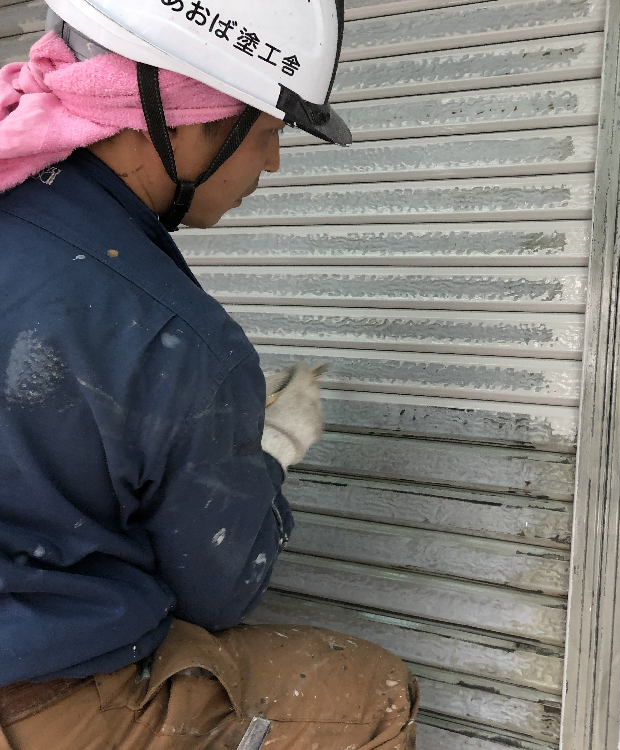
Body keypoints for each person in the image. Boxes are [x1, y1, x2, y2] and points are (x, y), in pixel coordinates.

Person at [0, 1, 418, 748]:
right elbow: (216, 594)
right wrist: (265, 458)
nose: (273, 162)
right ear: (186, 124)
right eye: (267, 133)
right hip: (31, 691)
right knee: (374, 694)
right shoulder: (176, 337)